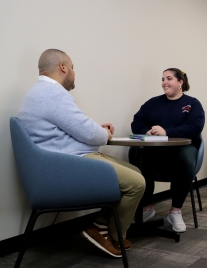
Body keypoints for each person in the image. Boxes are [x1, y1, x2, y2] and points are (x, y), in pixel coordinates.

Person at [18, 49, 145, 258]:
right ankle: (115, 235)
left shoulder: (38, 92)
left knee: (133, 170)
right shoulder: (53, 93)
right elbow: (90, 134)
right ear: (63, 67)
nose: (74, 73)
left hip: (59, 162)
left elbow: (72, 129)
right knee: (137, 182)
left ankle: (101, 227)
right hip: (69, 165)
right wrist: (102, 133)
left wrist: (97, 131)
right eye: (73, 68)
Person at [131, 68, 205, 233]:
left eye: (169, 78)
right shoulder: (153, 103)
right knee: (135, 152)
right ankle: (147, 207)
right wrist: (146, 131)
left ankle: (175, 211)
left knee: (184, 158)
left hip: (184, 148)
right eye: (163, 79)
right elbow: (137, 122)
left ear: (180, 82)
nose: (164, 82)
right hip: (157, 151)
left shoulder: (192, 104)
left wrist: (167, 132)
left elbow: (195, 127)